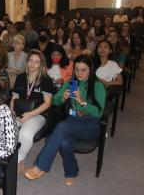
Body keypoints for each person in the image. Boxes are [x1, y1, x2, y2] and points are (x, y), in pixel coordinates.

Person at [24, 54, 106, 186]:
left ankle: (40, 166)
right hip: (72, 120)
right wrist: (62, 98)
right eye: (77, 69)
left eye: (83, 70)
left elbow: (99, 113)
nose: (79, 73)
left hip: (90, 124)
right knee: (64, 142)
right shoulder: (71, 83)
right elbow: (54, 100)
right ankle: (71, 172)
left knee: (62, 127)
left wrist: (83, 103)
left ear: (91, 70)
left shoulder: (98, 86)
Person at [10, 49, 55, 174]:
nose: (32, 64)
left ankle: (19, 159)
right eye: (30, 61)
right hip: (18, 112)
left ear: (41, 64)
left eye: (36, 62)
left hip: (37, 114)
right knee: (6, 128)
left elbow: (47, 103)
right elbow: (14, 98)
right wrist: (12, 112)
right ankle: (5, 155)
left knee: (25, 133)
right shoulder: (20, 77)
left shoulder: (46, 80)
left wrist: (29, 114)